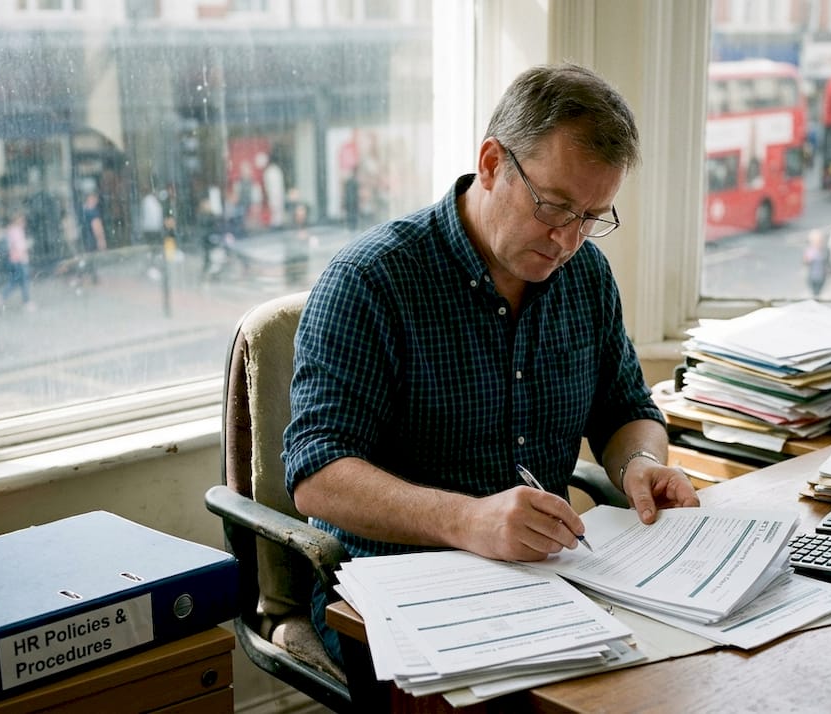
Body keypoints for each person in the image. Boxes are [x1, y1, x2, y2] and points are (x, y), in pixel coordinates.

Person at [283, 63, 699, 664]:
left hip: (547, 583)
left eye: (591, 217)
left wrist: (639, 462)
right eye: (554, 207)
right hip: (398, 591)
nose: (567, 241)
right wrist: (465, 520)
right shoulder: (371, 282)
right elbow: (316, 475)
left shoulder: (584, 276)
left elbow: (625, 408)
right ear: (492, 163)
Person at [0, 211, 34, 310]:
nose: (24, 222)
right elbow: (19, 246)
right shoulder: (16, 231)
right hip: (19, 259)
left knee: (17, 280)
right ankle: (26, 302)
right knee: (22, 281)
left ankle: (2, 297)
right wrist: (27, 245)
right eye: (22, 219)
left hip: (15, 259)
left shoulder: (11, 230)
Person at [76, 190, 107, 288]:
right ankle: (86, 277)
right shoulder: (93, 212)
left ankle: (89, 277)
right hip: (91, 238)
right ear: (91, 199)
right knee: (90, 258)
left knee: (88, 258)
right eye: (94, 198)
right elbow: (96, 226)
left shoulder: (83, 210)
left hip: (84, 238)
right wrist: (101, 239)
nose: (96, 201)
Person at [802, 229, 829, 298]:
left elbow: (827, 262)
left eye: (820, 241)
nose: (818, 243)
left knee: (819, 291)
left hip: (821, 275)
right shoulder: (810, 251)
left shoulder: (824, 251)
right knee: (813, 291)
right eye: (816, 241)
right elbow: (805, 262)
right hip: (812, 275)